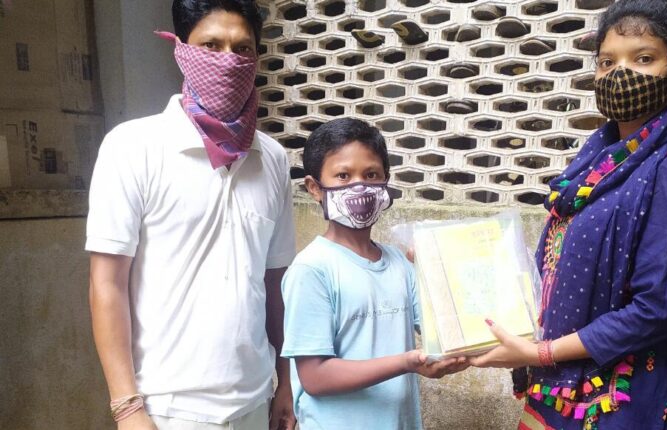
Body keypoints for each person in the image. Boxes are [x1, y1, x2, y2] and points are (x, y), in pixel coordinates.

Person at [468, 1, 667, 429]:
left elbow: (656, 310)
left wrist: (540, 353)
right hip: (564, 387)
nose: (620, 73)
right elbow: (560, 264)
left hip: (628, 400)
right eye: (607, 62)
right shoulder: (601, 160)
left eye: (643, 58)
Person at [87, 1, 297, 429]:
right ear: (181, 50)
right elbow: (107, 284)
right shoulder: (132, 147)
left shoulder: (272, 158)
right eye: (211, 45)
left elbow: (275, 284)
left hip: (255, 401)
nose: (228, 60)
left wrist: (286, 383)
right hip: (166, 408)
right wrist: (127, 407)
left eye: (242, 49)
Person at [280, 118, 469, 430]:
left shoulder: (400, 263)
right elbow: (314, 377)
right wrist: (406, 362)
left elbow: (444, 330)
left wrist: (434, 269)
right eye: (343, 175)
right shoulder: (311, 270)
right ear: (314, 188)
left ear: (385, 182)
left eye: (371, 175)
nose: (360, 186)